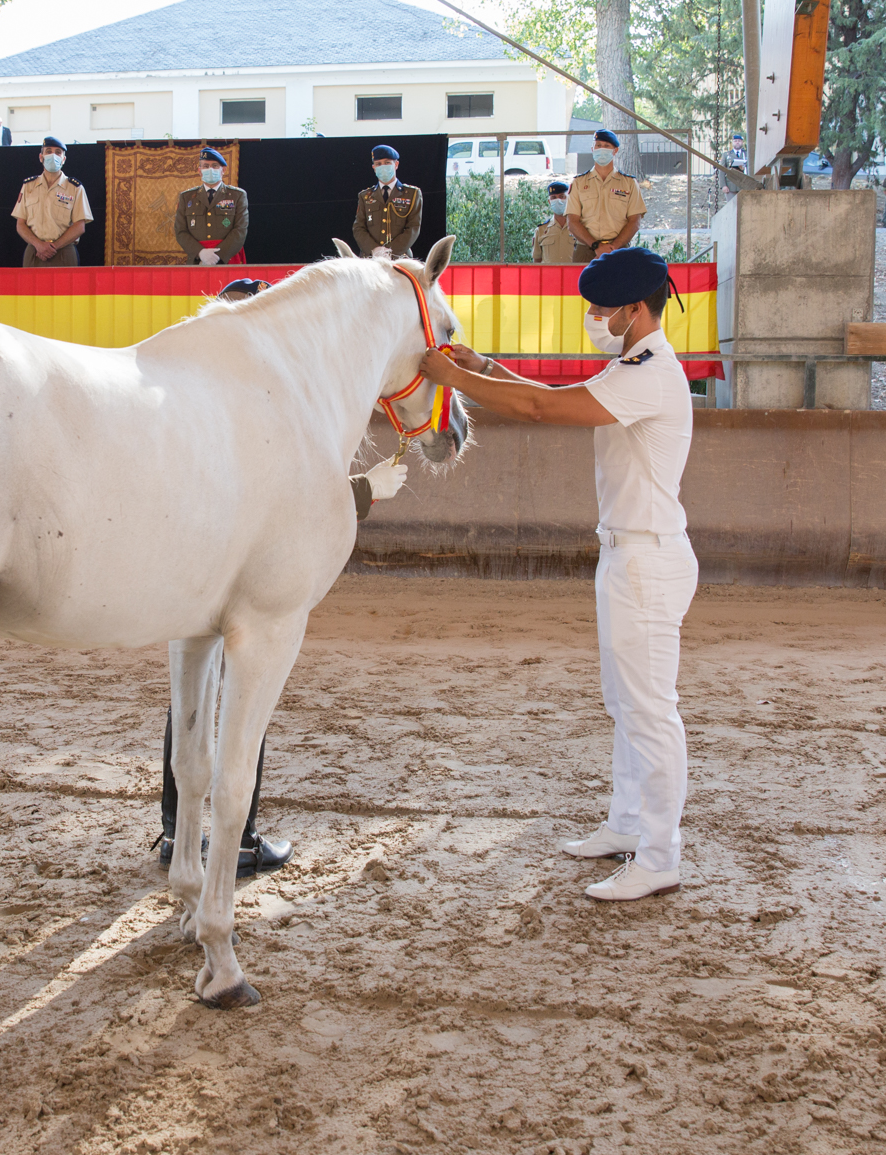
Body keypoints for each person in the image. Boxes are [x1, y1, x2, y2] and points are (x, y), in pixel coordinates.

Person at [417, 248, 698, 902]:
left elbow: (546, 412)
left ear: (635, 309)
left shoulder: (651, 371)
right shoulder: (631, 366)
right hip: (629, 553)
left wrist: (453, 378)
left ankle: (659, 854)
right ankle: (629, 824)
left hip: (648, 559)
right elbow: (556, 398)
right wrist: (484, 367)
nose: (594, 318)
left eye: (602, 309)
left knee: (652, 711)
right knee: (625, 703)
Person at [157, 272, 410, 877]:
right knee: (243, 695)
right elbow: (279, 501)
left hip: (194, 566)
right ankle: (235, 841)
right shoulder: (255, 393)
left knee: (191, 699)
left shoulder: (198, 386)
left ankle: (176, 835)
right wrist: (362, 493)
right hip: (236, 573)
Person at [567, 129, 647, 264]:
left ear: (615, 151)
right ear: (592, 148)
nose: (601, 149)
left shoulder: (629, 183)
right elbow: (573, 222)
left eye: (606, 146)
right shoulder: (579, 183)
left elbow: (635, 221)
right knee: (582, 285)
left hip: (618, 249)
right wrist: (596, 246)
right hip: (586, 250)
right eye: (598, 145)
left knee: (619, 285)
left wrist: (613, 247)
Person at [13, 137, 94, 267]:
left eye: (58, 152)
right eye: (48, 151)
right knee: (30, 288)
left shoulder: (75, 188)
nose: (53, 155)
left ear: (63, 159)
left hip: (63, 251)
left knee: (66, 288)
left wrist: (53, 247)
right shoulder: (28, 186)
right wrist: (39, 245)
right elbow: (20, 224)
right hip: (34, 251)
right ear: (41, 157)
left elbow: (80, 226)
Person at [174, 147, 249, 266]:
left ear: (223, 170)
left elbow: (240, 230)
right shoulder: (186, 197)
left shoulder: (237, 195)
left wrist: (218, 256)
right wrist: (201, 253)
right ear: (199, 171)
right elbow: (181, 231)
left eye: (214, 166)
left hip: (227, 260)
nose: (210, 169)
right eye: (205, 166)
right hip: (198, 261)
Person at [353, 144, 422, 259]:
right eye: (378, 164)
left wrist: (391, 252)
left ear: (396, 164)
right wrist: (374, 249)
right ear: (373, 167)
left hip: (400, 258)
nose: (382, 166)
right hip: (371, 258)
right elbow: (358, 227)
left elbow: (413, 227)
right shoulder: (365, 196)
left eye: (387, 162)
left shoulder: (412, 194)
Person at [532, 180, 577, 264]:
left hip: (573, 276)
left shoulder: (578, 228)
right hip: (549, 276)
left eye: (562, 196)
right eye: (554, 198)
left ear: (569, 199)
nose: (558, 200)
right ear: (549, 202)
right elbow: (537, 261)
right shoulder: (541, 230)